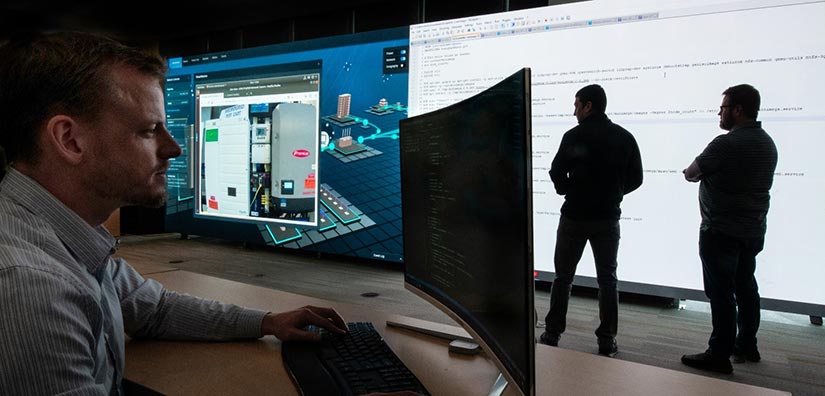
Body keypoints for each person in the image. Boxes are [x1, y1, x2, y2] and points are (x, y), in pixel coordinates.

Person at [0, 31, 351, 394]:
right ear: (70, 140)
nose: (174, 148)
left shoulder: (63, 238)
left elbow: (156, 310)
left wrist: (268, 322)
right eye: (151, 130)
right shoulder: (31, 286)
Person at [538, 84, 643, 357]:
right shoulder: (624, 137)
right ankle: (606, 340)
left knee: (563, 278)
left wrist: (567, 189)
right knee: (608, 280)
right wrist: (615, 192)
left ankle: (552, 333)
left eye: (576, 105)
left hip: (574, 216)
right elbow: (637, 178)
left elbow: (556, 170)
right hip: (608, 219)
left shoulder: (574, 136)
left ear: (588, 106)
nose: (574, 112)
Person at [681, 84, 777, 374]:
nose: (719, 114)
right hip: (752, 230)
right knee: (746, 287)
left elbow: (690, 173)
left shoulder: (725, 144)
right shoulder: (767, 143)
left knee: (721, 293)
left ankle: (719, 354)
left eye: (722, 108)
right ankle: (747, 344)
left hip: (720, 231)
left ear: (737, 110)